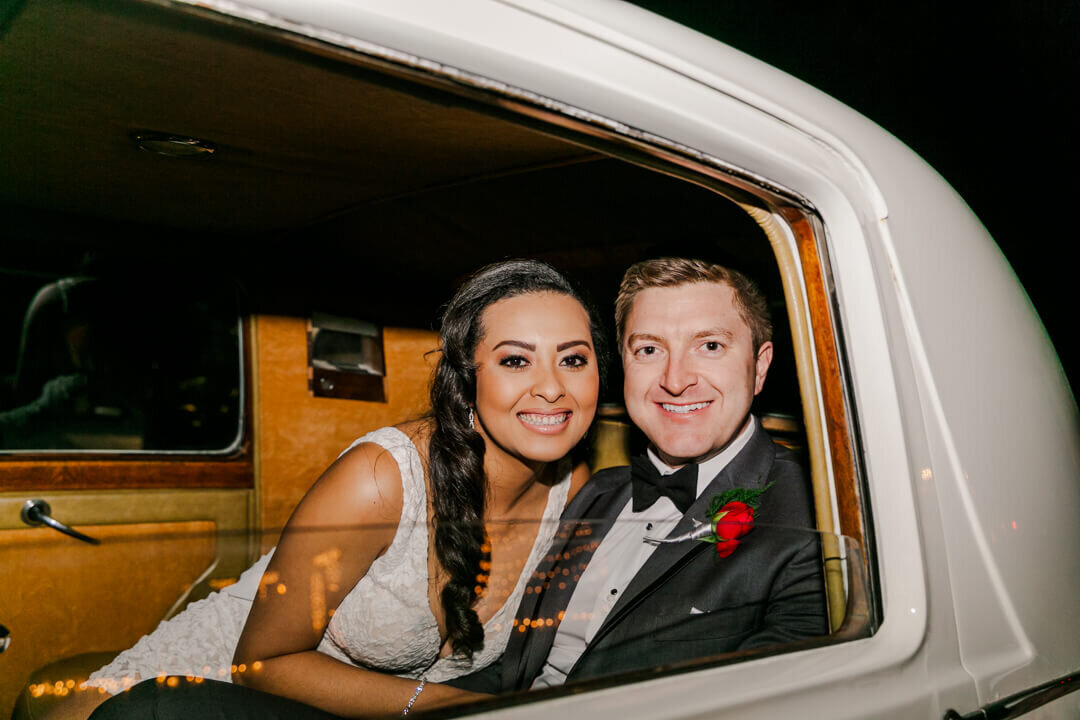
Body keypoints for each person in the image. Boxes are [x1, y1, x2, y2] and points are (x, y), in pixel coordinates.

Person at [76, 259, 606, 719]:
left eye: (573, 359)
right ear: (467, 378)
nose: (552, 386)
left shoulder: (575, 494)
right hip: (217, 678)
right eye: (516, 360)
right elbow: (260, 664)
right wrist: (448, 707)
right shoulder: (382, 477)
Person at [491, 257, 828, 689]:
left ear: (759, 367)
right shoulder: (595, 489)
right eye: (649, 350)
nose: (675, 379)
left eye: (709, 346)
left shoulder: (817, 510)